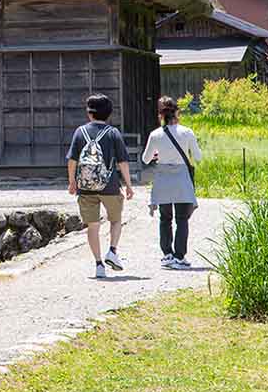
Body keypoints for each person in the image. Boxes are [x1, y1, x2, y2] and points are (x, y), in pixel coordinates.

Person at [67, 93, 134, 279]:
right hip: (110, 186)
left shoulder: (80, 132)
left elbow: (72, 160)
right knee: (115, 220)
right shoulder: (113, 133)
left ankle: (98, 265)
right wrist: (128, 185)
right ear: (109, 114)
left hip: (86, 187)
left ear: (89, 114)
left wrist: (72, 182)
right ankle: (112, 251)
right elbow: (123, 162)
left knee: (93, 226)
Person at [142, 96, 202, 270]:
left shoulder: (155, 134)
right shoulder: (187, 132)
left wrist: (158, 155)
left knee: (165, 218)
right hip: (181, 178)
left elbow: (145, 160)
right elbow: (197, 157)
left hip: (162, 179)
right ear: (177, 113)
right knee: (182, 219)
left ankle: (167, 254)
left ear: (162, 116)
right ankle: (180, 256)